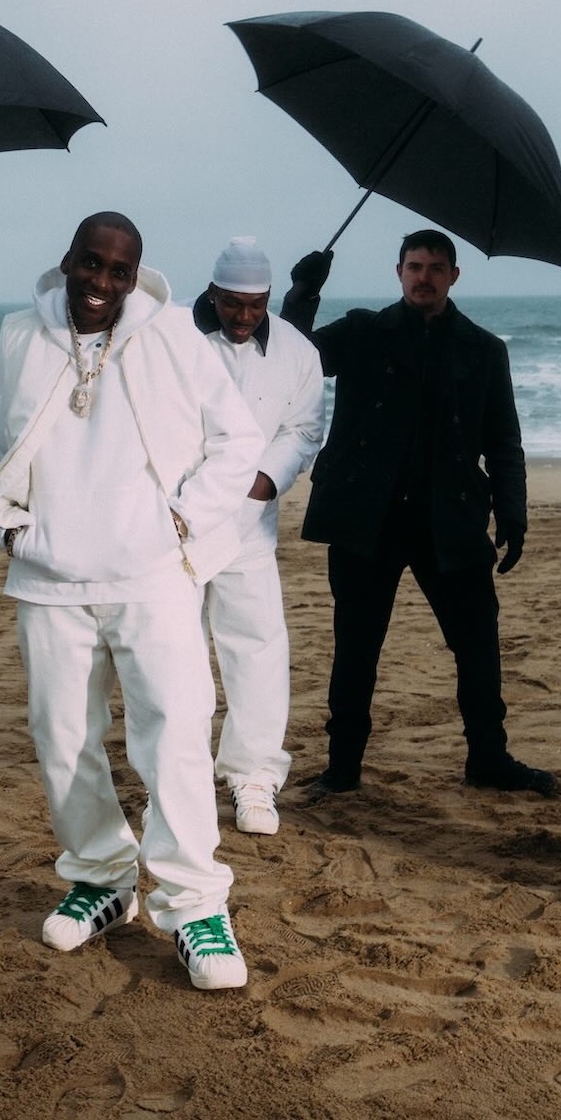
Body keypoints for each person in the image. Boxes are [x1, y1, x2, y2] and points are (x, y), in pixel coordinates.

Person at [0, 212, 264, 991]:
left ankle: (194, 903)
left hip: (153, 576)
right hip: (49, 578)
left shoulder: (171, 339)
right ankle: (102, 875)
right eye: (90, 264)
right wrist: (6, 532)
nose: (101, 283)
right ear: (67, 261)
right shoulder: (19, 338)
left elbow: (238, 440)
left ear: (135, 276)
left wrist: (183, 517)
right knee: (62, 736)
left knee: (176, 736)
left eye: (118, 271)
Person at [281, 230, 557, 798]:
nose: (423, 277)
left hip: (448, 519)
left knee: (477, 641)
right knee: (356, 645)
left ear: (454, 276)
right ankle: (343, 768)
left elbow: (503, 440)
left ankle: (488, 757)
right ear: (398, 271)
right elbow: (289, 359)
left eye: (435, 267)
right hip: (367, 517)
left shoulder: (483, 350)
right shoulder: (363, 333)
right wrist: (302, 291)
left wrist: (513, 514)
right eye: (414, 266)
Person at [192, 237, 324, 835]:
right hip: (180, 522)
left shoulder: (296, 349)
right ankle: (183, 777)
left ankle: (254, 779)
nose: (245, 317)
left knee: (257, 648)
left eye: (258, 305)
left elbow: (303, 428)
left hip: (249, 525)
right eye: (233, 305)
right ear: (213, 292)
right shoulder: (173, 340)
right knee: (179, 655)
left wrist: (267, 480)